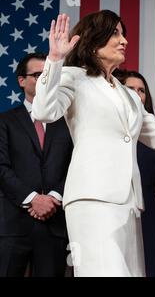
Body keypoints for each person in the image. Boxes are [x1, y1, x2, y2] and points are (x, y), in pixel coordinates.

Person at [31, 11, 155, 277]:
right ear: (94, 40)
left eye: (124, 34)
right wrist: (54, 61)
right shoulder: (73, 76)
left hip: (130, 204)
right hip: (91, 199)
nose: (124, 41)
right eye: (115, 33)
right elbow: (44, 111)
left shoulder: (129, 95)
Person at [0, 53, 73, 276]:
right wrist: (33, 199)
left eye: (49, 75)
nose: (44, 80)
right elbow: (1, 167)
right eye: (38, 74)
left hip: (55, 224)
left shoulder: (69, 122)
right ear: (21, 81)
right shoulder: (5, 121)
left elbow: (76, 166)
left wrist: (53, 197)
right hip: (13, 224)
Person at [114, 69, 155, 277]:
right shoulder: (108, 130)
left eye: (141, 90)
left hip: (149, 216)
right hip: (114, 214)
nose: (137, 94)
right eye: (130, 89)